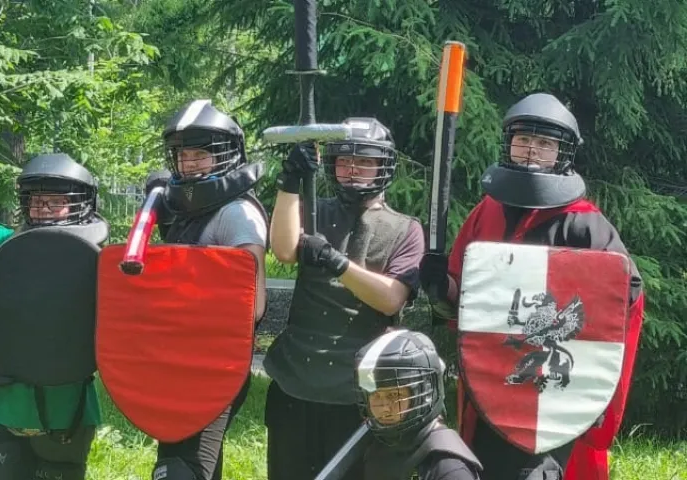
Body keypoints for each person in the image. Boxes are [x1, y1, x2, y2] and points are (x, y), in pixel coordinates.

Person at [419, 93, 645, 480]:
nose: (531, 150)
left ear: (562, 152)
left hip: (555, 396)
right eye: (524, 139)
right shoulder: (486, 211)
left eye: (544, 143)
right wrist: (442, 287)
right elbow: (463, 299)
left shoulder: (585, 224)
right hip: (493, 382)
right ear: (509, 143)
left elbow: (622, 297)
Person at [0, 102, 107, 480]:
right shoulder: (8, 247)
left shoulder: (101, 263)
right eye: (36, 200)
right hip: (1, 408)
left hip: (68, 413)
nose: (44, 209)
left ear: (78, 203)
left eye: (56, 202)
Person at [263, 117, 426, 480]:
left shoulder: (406, 229)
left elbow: (391, 298)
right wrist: (290, 182)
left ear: (383, 165)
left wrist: (336, 263)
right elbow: (284, 249)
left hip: (360, 394)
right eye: (345, 161)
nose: (353, 170)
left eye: (364, 161)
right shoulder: (315, 210)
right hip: (295, 382)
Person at [147, 99, 268, 480]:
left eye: (200, 154)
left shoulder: (237, 214)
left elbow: (253, 305)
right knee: (180, 459)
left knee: (185, 468)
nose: (189, 164)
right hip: (179, 361)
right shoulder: (186, 212)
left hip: (216, 367)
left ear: (225, 157)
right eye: (183, 156)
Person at [354, 328, 482, 480]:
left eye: (394, 395)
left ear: (425, 393)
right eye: (375, 395)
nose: (384, 408)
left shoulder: (448, 468)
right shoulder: (376, 450)